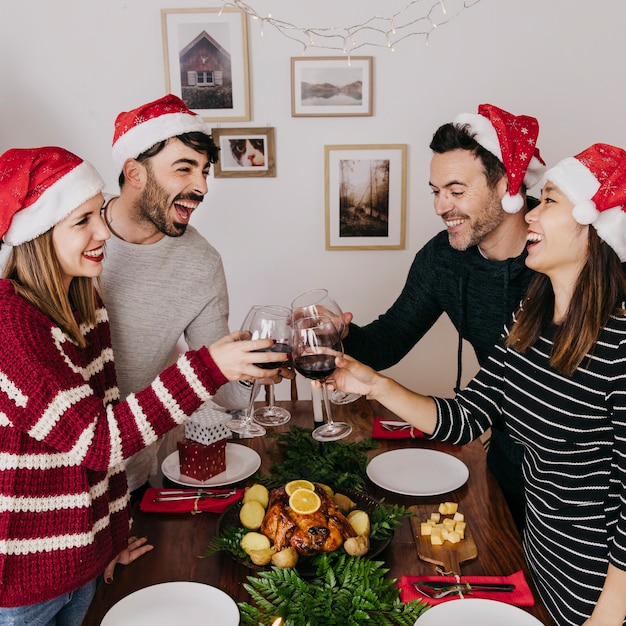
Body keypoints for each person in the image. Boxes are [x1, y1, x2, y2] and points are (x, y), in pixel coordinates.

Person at [334, 143, 626, 626]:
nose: (531, 210)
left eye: (549, 200)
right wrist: (373, 384)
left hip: (600, 591)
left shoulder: (618, 342)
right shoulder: (529, 319)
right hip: (543, 568)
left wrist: (610, 611)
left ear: (597, 224)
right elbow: (466, 418)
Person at [0, 146, 284, 625]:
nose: (101, 232)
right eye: (82, 221)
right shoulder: (13, 328)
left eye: (98, 214)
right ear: (37, 234)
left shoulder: (80, 304)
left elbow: (93, 454)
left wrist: (105, 543)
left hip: (82, 565)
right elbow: (100, 441)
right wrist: (208, 366)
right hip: (27, 584)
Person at [342, 103, 545, 530]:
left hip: (581, 471)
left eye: (456, 190)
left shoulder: (564, 264)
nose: (440, 206)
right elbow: (391, 337)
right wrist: (339, 337)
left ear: (506, 185)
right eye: (435, 191)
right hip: (505, 449)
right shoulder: (442, 259)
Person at [102, 94, 262, 500]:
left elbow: (219, 385)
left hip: (132, 479)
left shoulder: (201, 262)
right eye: (184, 169)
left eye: (205, 171)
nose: (202, 187)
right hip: (46, 485)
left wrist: (254, 367)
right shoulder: (72, 243)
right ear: (134, 173)